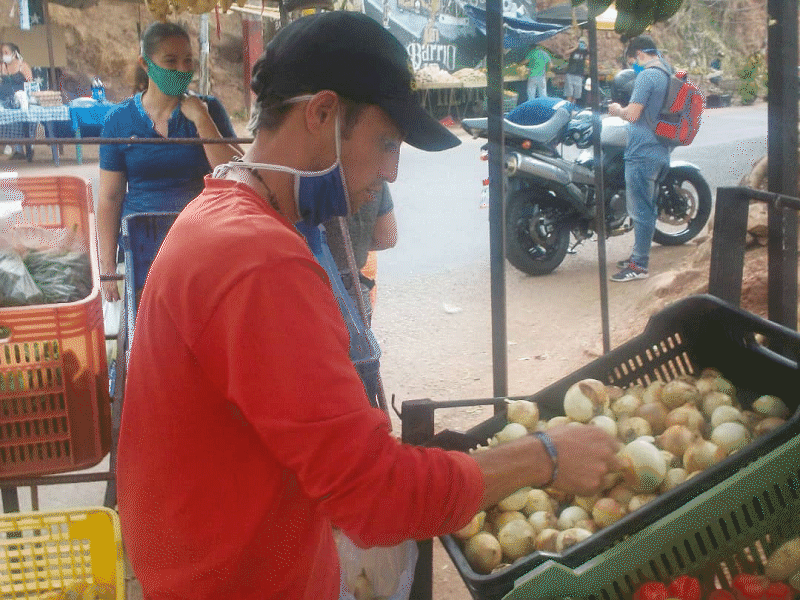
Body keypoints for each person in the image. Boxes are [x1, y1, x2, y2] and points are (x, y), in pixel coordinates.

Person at [116, 12, 621, 600]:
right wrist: (545, 457)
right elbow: (374, 496)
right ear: (323, 113)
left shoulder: (223, 210)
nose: (391, 171)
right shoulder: (258, 260)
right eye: (385, 143)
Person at [97, 21, 240, 303]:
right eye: (170, 61)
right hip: (143, 244)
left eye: (188, 60)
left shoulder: (209, 110)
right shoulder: (118, 121)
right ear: (146, 64)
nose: (183, 70)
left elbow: (235, 176)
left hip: (203, 240)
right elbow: (110, 198)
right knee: (153, 323)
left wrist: (202, 120)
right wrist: (107, 267)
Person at [607, 35, 671, 282]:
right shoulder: (667, 71)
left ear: (640, 54)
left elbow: (632, 115)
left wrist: (616, 110)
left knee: (640, 210)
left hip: (642, 151)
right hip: (661, 149)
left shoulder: (646, 76)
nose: (634, 64)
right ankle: (638, 255)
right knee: (648, 207)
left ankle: (639, 266)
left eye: (633, 60)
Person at [323, 181, 397, 326]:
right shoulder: (372, 171)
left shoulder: (304, 169)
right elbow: (387, 237)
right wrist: (356, 246)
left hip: (309, 289)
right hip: (354, 293)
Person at [0, 43, 34, 160]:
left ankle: (29, 149)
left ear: (14, 53)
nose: (4, 55)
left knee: (25, 123)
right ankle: (17, 150)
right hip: (6, 101)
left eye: (6, 53)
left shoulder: (23, 66)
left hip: (22, 102)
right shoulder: (2, 67)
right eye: (2, 53)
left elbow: (31, 84)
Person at [564, 37, 589, 104]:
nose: (581, 44)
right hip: (570, 73)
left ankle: (573, 106)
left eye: (583, 43)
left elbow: (591, 53)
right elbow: (566, 52)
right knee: (569, 93)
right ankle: (567, 107)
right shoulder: (574, 50)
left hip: (579, 74)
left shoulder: (585, 51)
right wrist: (575, 47)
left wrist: (586, 47)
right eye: (580, 42)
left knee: (576, 94)